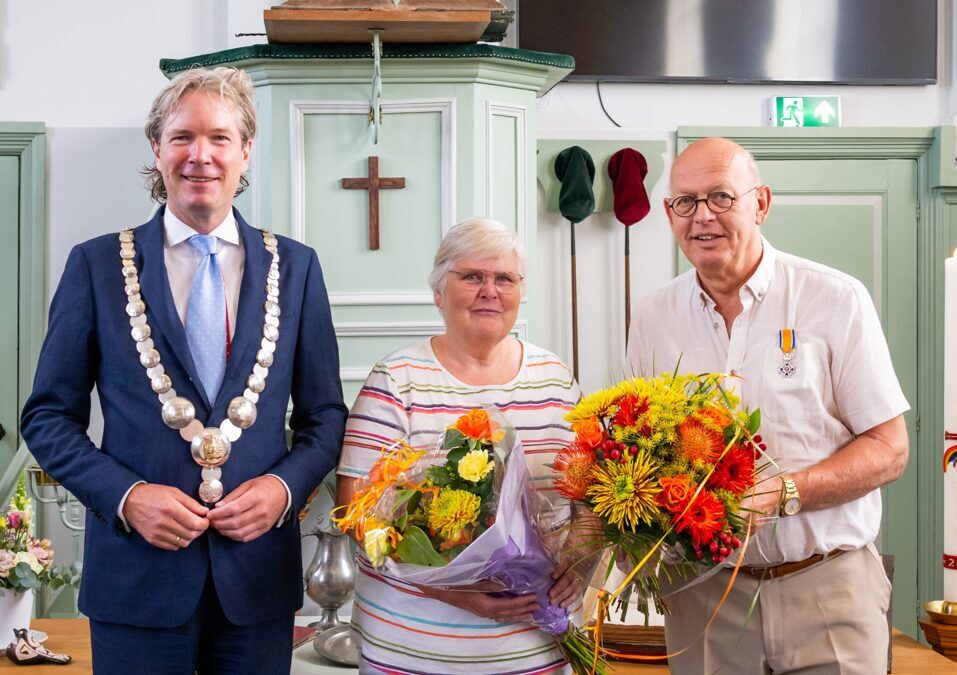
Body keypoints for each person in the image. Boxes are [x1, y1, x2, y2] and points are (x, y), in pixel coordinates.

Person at [20, 67, 348, 673]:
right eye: (183, 137)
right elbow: (46, 419)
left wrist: (280, 491)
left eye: (220, 138)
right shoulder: (95, 265)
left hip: (256, 585)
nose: (202, 156)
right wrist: (127, 496)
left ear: (246, 151)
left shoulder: (297, 269)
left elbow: (326, 416)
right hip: (135, 583)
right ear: (156, 149)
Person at [626, 137, 909, 674]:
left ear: (761, 203)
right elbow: (643, 450)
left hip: (827, 588)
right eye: (685, 202)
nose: (702, 216)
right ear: (668, 213)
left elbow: (890, 450)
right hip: (702, 596)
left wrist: (783, 493)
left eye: (721, 197)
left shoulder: (836, 299)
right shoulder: (654, 316)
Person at [336, 218, 584, 674]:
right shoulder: (396, 380)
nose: (490, 290)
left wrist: (583, 563)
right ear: (438, 292)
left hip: (535, 650)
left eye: (504, 278)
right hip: (412, 651)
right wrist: (449, 589)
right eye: (472, 276)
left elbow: (592, 496)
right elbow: (356, 511)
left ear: (519, 291)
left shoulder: (555, 379)